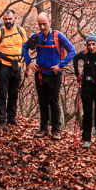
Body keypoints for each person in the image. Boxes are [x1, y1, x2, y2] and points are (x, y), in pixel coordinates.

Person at [23, 12, 76, 140]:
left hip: (54, 75)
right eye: (39, 24)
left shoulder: (58, 36)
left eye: (44, 24)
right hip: (40, 74)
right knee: (42, 103)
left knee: (54, 102)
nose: (42, 27)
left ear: (50, 21)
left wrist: (60, 65)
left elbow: (72, 51)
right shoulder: (36, 36)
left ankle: (56, 130)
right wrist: (29, 63)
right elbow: (24, 48)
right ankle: (43, 129)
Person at [0, 10, 27, 131]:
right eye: (6, 19)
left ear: (15, 18)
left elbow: (25, 49)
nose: (8, 21)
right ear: (3, 20)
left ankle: (12, 117)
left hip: (17, 67)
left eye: (10, 19)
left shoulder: (21, 31)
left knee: (14, 94)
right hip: (3, 67)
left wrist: (27, 68)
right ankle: (1, 120)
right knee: (2, 94)